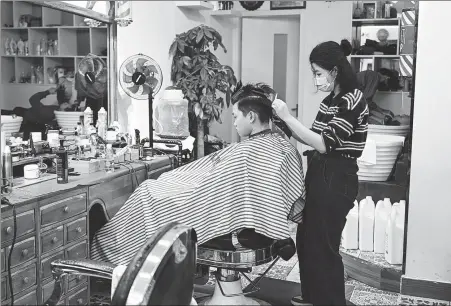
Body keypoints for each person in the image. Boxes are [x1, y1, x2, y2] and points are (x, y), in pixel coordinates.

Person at [90, 83, 306, 265]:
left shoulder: (248, 152)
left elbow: (208, 189)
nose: (234, 122)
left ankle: (105, 256)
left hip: (241, 229)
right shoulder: (282, 146)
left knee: (146, 193)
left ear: (250, 116)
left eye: (235, 116)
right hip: (261, 228)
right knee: (163, 182)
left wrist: (168, 183)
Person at [272, 39, 369, 305]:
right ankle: (313, 296)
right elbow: (311, 137)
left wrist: (289, 117)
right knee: (305, 238)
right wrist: (281, 120)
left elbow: (325, 143)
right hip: (319, 171)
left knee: (325, 244)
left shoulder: (352, 100)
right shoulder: (330, 100)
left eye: (318, 73)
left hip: (338, 177)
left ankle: (330, 300)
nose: (316, 80)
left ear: (334, 71)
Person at [1, 76, 79, 139]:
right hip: (23, 115)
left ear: (63, 112)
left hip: (20, 116)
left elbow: (32, 99)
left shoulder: (47, 113)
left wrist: (47, 92)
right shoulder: (56, 113)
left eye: (66, 104)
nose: (66, 103)